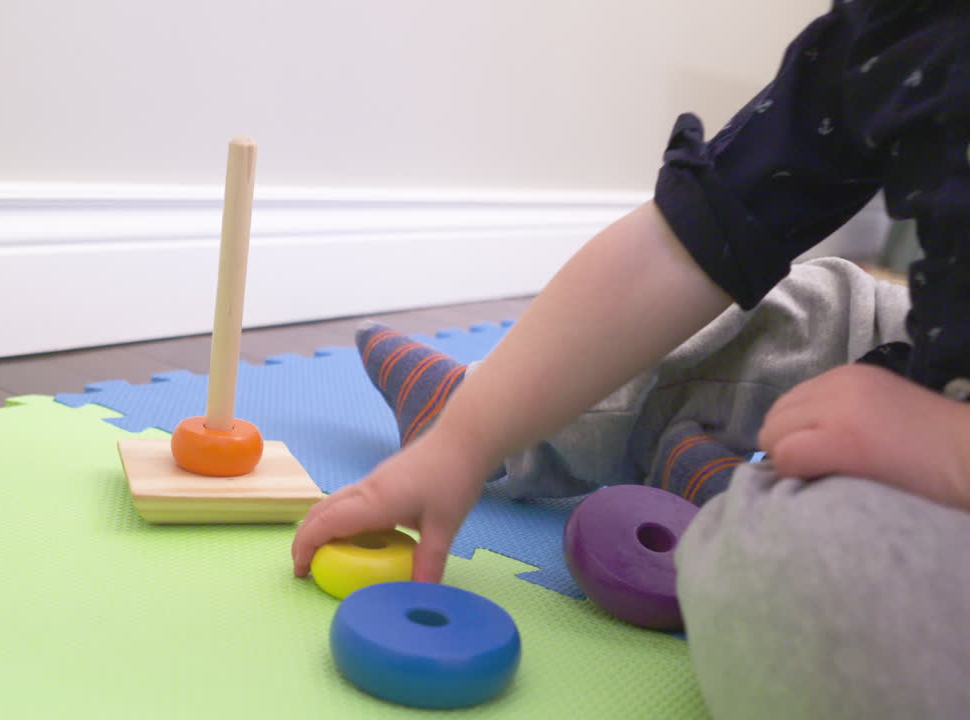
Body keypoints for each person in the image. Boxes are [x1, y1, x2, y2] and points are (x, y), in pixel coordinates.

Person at [291, 2, 970, 718]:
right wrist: (467, 434)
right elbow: (696, 240)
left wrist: (948, 450)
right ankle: (479, 409)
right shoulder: (902, 25)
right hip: (932, 348)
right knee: (786, 316)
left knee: (816, 598)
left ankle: (730, 487)